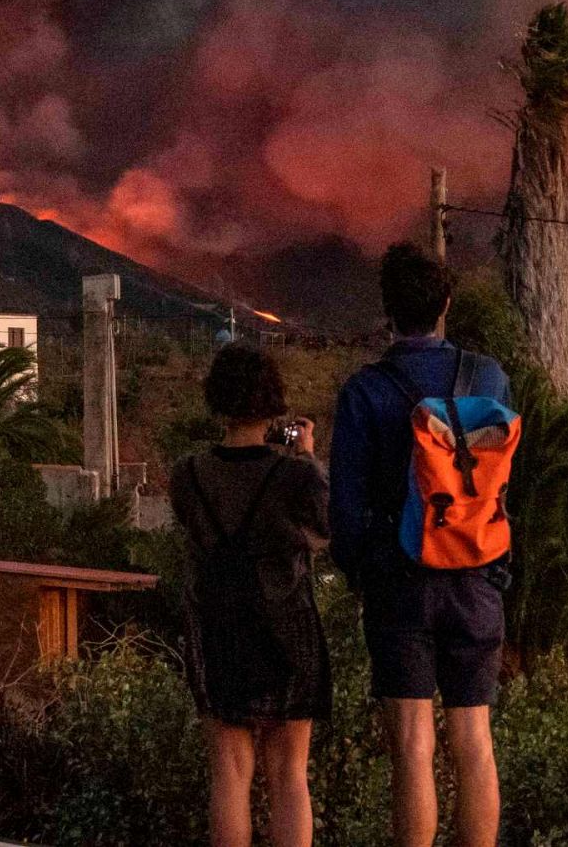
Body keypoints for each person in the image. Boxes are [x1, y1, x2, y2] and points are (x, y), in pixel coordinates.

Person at [329, 243, 513, 847]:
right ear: (447, 306)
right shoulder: (489, 377)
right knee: (474, 741)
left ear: (387, 310)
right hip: (477, 574)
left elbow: (345, 512)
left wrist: (363, 573)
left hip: (399, 580)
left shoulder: (365, 392)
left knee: (412, 745)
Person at [170, 344, 332, 847]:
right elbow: (329, 527)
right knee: (288, 775)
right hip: (288, 633)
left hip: (218, 630)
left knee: (229, 772)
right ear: (272, 404)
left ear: (217, 400)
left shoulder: (189, 475)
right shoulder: (294, 475)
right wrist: (307, 456)